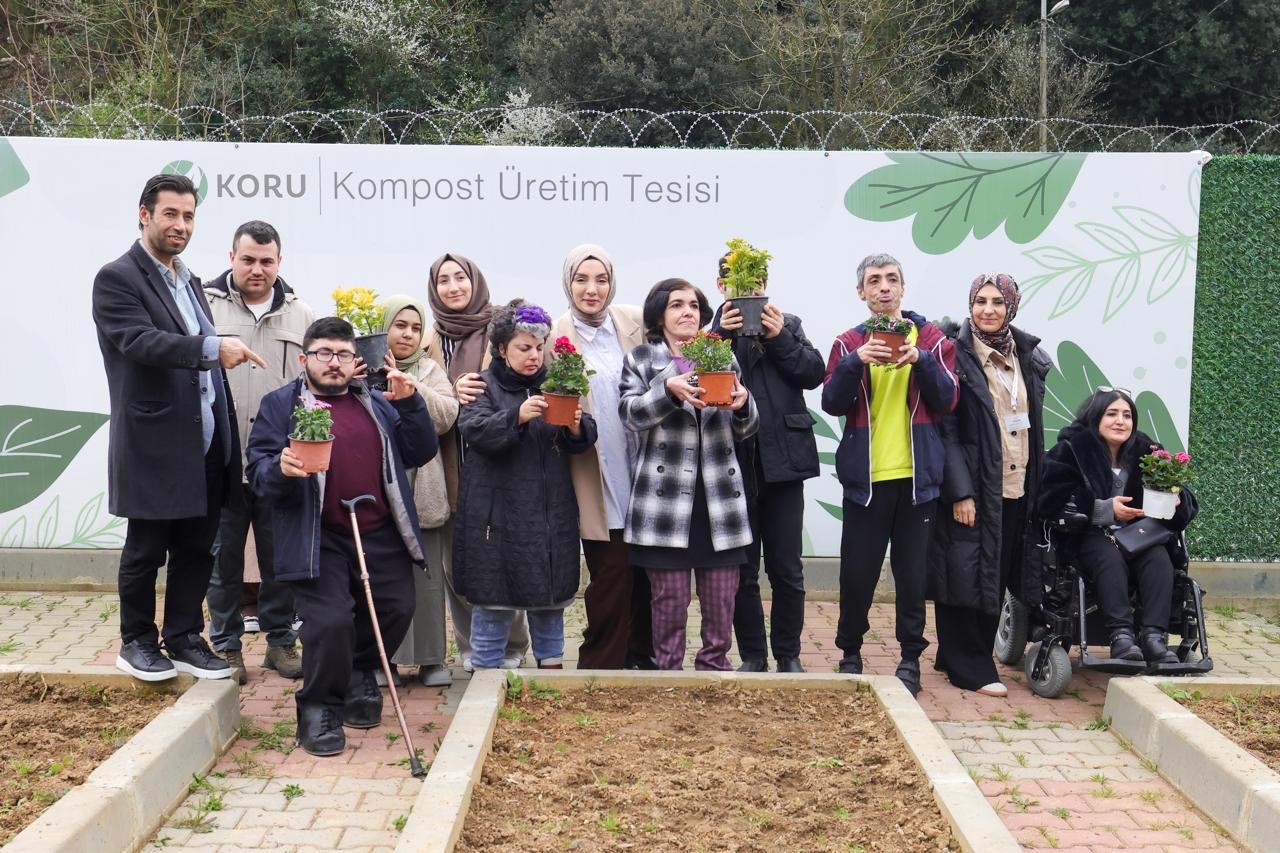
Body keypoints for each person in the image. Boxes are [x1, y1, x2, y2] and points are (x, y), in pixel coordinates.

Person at [92, 173, 265, 682]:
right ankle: (137, 642)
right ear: (144, 215)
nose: (181, 225)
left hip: (207, 439)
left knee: (197, 547)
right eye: (170, 214)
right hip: (153, 441)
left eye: (189, 216)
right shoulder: (117, 278)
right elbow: (140, 341)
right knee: (147, 549)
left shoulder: (188, 280)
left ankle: (186, 638)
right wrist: (214, 349)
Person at [245, 317, 438, 756]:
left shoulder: (374, 401)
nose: (334, 363)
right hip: (320, 535)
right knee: (330, 622)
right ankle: (318, 708)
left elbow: (419, 450)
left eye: (344, 355)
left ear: (356, 360)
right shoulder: (282, 405)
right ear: (305, 358)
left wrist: (411, 406)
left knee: (396, 607)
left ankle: (358, 671)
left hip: (378, 531)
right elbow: (256, 468)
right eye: (324, 354)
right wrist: (279, 468)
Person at [821, 253, 958, 696]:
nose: (884, 287)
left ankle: (909, 659)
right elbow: (832, 402)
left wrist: (920, 358)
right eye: (874, 281)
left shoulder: (933, 337)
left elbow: (947, 399)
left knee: (912, 575)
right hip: (866, 481)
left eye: (892, 279)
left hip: (918, 481)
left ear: (902, 289)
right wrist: (855, 361)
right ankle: (850, 652)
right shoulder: (847, 342)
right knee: (857, 573)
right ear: (861, 293)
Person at [620, 279, 758, 671]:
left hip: (718, 498)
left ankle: (714, 666)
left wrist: (745, 405)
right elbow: (629, 416)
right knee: (669, 601)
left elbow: (746, 430)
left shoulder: (721, 356)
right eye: (677, 305)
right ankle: (668, 672)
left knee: (721, 600)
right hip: (664, 501)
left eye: (695, 305)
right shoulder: (643, 359)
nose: (687, 312)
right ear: (659, 315)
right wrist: (669, 390)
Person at [453, 302, 597, 669]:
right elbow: (474, 429)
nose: (534, 355)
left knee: (549, 604)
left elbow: (580, 440)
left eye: (539, 346)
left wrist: (577, 426)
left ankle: (551, 673)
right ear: (501, 349)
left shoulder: (558, 384)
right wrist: (516, 416)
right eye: (523, 348)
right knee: (494, 604)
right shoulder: (480, 386)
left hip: (550, 515)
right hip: (496, 517)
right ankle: (485, 677)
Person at [928, 273, 1050, 697]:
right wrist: (959, 491)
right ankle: (970, 665)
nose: (988, 310)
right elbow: (945, 429)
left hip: (1015, 484)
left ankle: (954, 654)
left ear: (1011, 306)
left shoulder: (1028, 357)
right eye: (980, 301)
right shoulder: (954, 355)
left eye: (998, 302)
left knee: (993, 573)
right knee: (963, 570)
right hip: (973, 487)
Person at [204, 220, 311, 685]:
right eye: (248, 259)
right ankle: (225, 646)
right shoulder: (204, 307)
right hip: (221, 460)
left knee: (279, 559)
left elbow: (311, 390)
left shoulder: (301, 314)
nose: (257, 269)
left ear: (279, 263)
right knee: (222, 560)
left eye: (266, 261)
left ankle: (281, 643)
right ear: (232, 257)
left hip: (278, 462)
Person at [712, 252, 825, 674]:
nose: (749, 290)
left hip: (784, 464)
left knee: (787, 568)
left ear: (766, 284)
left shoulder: (788, 324)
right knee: (742, 570)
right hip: (732, 465)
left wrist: (779, 338)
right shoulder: (713, 332)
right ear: (722, 287)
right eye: (739, 282)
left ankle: (789, 655)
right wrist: (721, 335)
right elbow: (694, 375)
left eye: (757, 282)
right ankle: (753, 656)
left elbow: (813, 373)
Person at [549, 244, 654, 670]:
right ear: (568, 283)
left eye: (601, 280)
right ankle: (599, 663)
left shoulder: (632, 322)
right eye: (581, 280)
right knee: (611, 571)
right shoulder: (556, 336)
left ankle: (641, 659)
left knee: (646, 573)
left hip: (643, 463)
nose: (591, 290)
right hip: (594, 466)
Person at [1038, 389, 1198, 665]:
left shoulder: (1148, 452)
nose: (1120, 421)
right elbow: (1050, 499)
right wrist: (1103, 509)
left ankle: (1153, 637)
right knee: (1108, 557)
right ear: (1096, 417)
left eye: (1127, 415)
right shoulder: (1071, 450)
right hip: (1085, 535)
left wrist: (1177, 502)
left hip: (1137, 536)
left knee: (1159, 557)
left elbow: (1184, 498)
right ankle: (1121, 636)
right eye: (1111, 414)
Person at [424, 253, 530, 671]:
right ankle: (472, 647)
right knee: (458, 565)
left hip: (499, 462)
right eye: (444, 280)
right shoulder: (428, 339)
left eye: (461, 278)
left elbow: (527, 375)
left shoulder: (503, 327)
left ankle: (515, 646)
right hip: (452, 466)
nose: (454, 287)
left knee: (506, 558)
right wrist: (452, 389)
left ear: (475, 281)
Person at [380, 295, 458, 688]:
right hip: (378, 488)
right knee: (381, 577)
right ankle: (383, 660)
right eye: (400, 325)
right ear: (384, 326)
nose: (408, 334)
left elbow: (447, 416)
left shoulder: (429, 370)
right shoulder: (365, 368)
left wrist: (412, 388)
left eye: (415, 327)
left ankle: (430, 659)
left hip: (422, 487)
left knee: (427, 581)